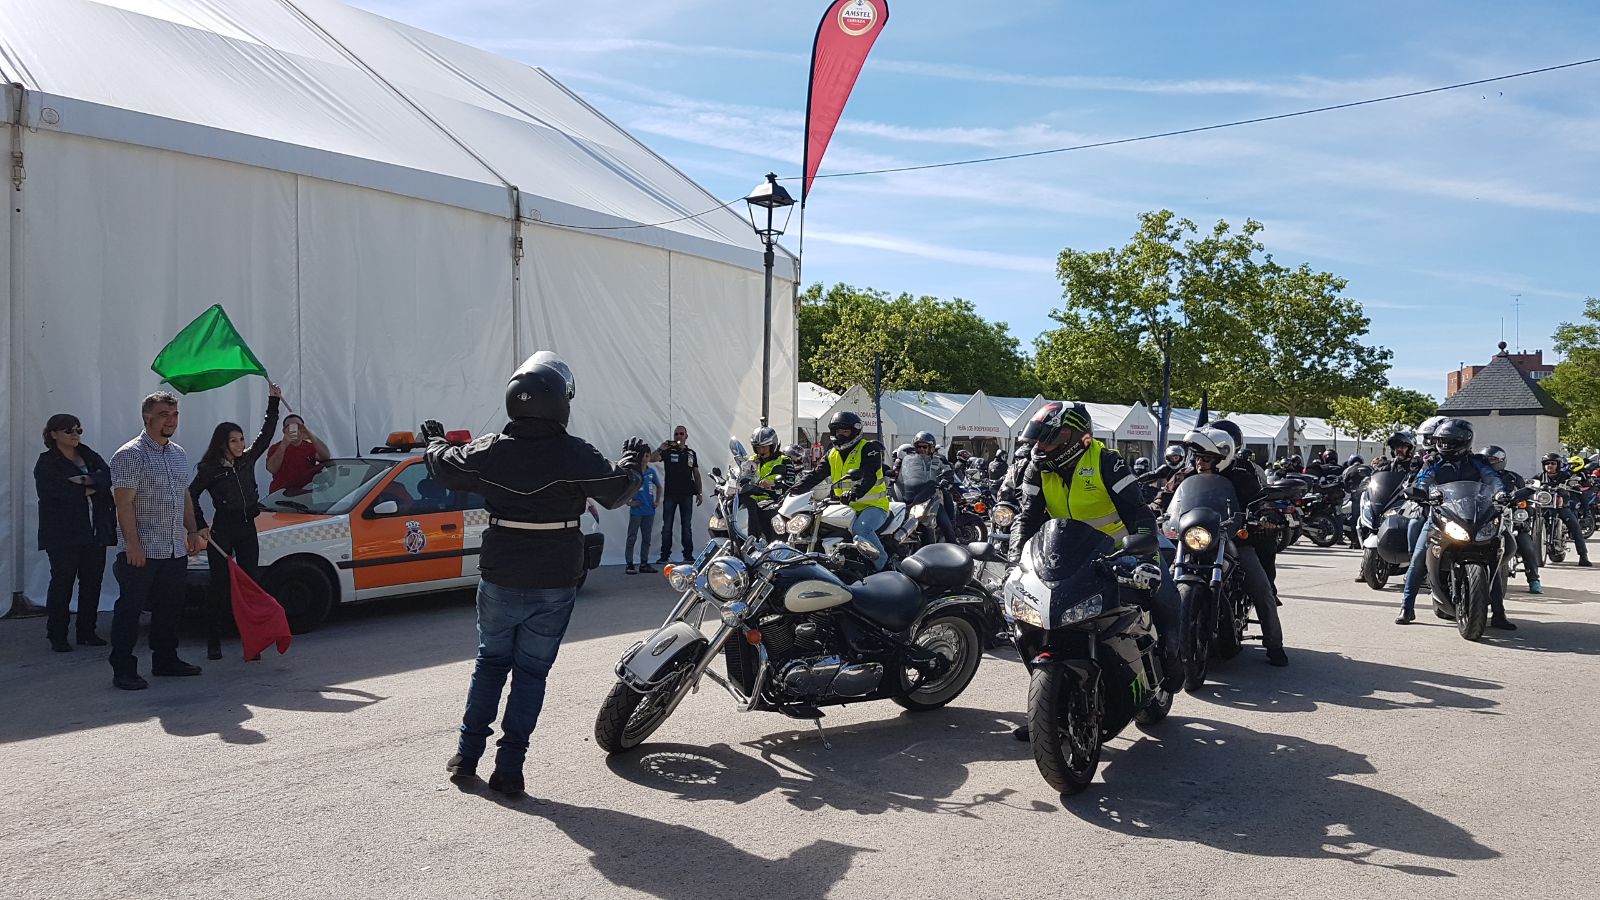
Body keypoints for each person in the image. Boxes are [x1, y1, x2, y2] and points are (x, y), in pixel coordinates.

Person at [423, 351, 644, 796]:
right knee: (531, 674)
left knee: (490, 663)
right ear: (560, 401)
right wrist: (631, 460)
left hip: (501, 573)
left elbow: (444, 464)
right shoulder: (576, 452)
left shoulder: (490, 449)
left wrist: (434, 440)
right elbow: (618, 490)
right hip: (554, 579)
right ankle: (510, 768)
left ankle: (467, 755)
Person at [1009, 403, 1181, 740]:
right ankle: (1048, 711)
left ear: (1075, 438)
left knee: (1164, 594)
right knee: (1035, 622)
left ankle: (1174, 656)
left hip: (1120, 552)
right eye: (1038, 440)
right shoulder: (1036, 468)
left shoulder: (1107, 462)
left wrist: (1145, 552)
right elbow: (1027, 517)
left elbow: (1139, 513)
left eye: (1048, 439)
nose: (1040, 446)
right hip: (1064, 557)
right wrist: (1016, 558)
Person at [1153, 427, 1289, 667]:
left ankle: (1274, 644)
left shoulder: (1241, 478)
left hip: (1233, 541)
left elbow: (1261, 502)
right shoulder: (1184, 475)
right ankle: (1158, 642)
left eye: (1205, 458)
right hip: (1191, 541)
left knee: (1262, 589)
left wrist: (1266, 515)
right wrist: (1152, 510)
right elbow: (1163, 499)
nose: (1199, 463)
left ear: (1221, 458)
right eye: (1196, 457)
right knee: (1157, 582)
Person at [108, 392, 208, 690]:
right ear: (147, 417)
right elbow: (123, 504)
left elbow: (184, 495)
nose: (171, 421)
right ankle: (123, 669)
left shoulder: (178, 453)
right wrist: (132, 545)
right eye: (164, 414)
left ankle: (166, 660)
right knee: (130, 610)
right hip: (143, 549)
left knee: (169, 608)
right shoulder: (130, 454)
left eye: (175, 415)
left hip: (174, 547)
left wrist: (192, 530)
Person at [188, 384, 283, 659]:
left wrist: (273, 402)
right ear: (222, 443)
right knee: (219, 585)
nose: (240, 444)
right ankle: (213, 641)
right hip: (223, 530)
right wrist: (199, 525)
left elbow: (266, 434)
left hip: (246, 528)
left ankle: (252, 641)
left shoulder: (247, 459)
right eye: (234, 441)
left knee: (250, 583)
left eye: (241, 439)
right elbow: (191, 495)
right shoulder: (209, 468)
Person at [1394, 418, 1504, 625]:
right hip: (1441, 514)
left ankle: (1499, 613)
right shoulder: (1433, 461)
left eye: (1449, 441)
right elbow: (1423, 479)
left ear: (1464, 441)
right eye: (1441, 441)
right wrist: (1421, 491)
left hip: (1472, 514)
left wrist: (1500, 493)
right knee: (1418, 559)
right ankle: (1406, 607)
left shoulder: (1478, 461)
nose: (1444, 445)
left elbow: (1492, 478)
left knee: (1493, 558)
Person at [35, 414, 117, 652]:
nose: (75, 435)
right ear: (53, 434)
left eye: (78, 430)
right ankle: (57, 634)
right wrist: (90, 487)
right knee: (63, 582)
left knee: (92, 582)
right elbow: (55, 493)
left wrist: (83, 480)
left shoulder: (88, 454)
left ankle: (87, 631)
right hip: (63, 534)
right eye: (69, 431)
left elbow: (107, 476)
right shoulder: (47, 462)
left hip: (94, 531)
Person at [788, 412, 890, 571]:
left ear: (855, 432)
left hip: (873, 506)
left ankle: (883, 566)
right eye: (837, 431)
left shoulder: (869, 449)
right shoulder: (832, 454)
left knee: (861, 530)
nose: (840, 435)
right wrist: (792, 491)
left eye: (845, 431)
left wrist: (855, 492)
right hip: (843, 507)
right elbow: (815, 476)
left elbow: (869, 476)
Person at [1480, 445, 1539, 598]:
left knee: (1525, 542)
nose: (1488, 462)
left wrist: (1524, 512)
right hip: (1485, 519)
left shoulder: (1513, 478)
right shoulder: (1475, 476)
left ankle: (1533, 579)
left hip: (1510, 518)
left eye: (1492, 459)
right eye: (1485, 460)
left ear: (1501, 460)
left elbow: (1527, 501)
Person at [895, 431, 957, 544]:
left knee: (946, 524)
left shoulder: (939, 460)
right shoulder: (909, 460)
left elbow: (948, 471)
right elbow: (901, 474)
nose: (921, 449)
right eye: (919, 447)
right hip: (914, 497)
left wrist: (946, 479)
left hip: (933, 498)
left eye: (925, 447)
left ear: (931, 448)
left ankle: (954, 546)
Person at [1531, 453, 1592, 567]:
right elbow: (1530, 485)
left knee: (1575, 527)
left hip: (1560, 506)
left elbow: (1575, 483)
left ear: (1558, 465)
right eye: (1547, 463)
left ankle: (1583, 556)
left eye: (1553, 463)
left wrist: (1574, 485)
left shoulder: (1565, 476)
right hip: (1543, 507)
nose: (1550, 465)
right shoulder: (1539, 477)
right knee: (1526, 523)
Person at [654, 425, 702, 565]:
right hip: (670, 494)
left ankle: (688, 555)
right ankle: (664, 556)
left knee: (686, 526)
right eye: (676, 434)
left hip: (687, 494)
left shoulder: (691, 453)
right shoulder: (668, 451)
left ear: (686, 436)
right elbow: (651, 459)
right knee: (667, 527)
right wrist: (660, 448)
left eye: (681, 433)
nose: (679, 436)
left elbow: (696, 474)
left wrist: (699, 492)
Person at [745, 426, 792, 542]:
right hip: (753, 500)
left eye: (764, 447)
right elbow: (744, 476)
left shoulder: (784, 460)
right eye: (758, 447)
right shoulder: (752, 460)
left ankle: (764, 543)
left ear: (773, 445)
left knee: (771, 517)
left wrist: (772, 484)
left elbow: (791, 484)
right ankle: (747, 542)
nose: (761, 451)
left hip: (774, 500)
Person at [265, 413, 331, 494]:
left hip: (304, 494)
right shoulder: (276, 448)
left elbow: (326, 456)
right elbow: (272, 469)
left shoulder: (310, 447)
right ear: (284, 430)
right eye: (289, 427)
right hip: (281, 494)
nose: (294, 429)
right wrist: (284, 444)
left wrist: (309, 435)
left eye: (298, 426)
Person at [624, 453, 660, 575]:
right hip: (636, 511)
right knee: (632, 537)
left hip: (649, 510)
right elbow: (625, 488)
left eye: (647, 456)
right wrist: (629, 502)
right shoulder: (634, 472)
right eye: (643, 456)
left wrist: (657, 501)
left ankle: (644, 563)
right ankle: (629, 563)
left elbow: (659, 486)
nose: (645, 459)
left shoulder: (651, 472)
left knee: (647, 538)